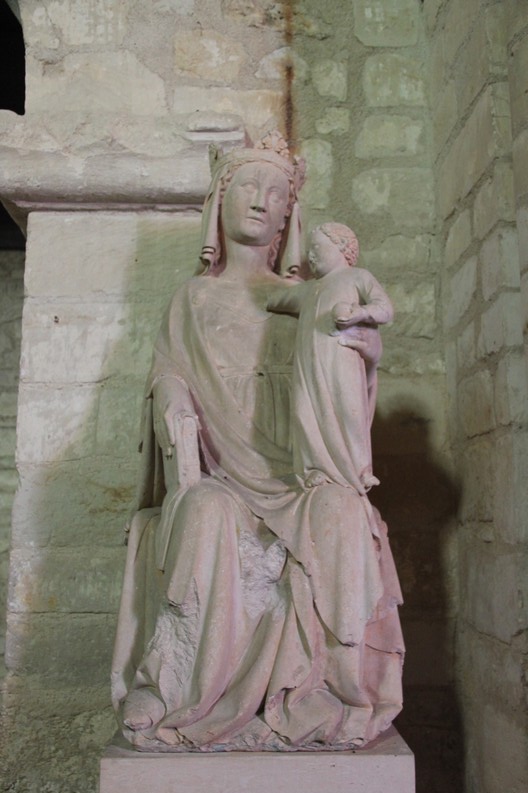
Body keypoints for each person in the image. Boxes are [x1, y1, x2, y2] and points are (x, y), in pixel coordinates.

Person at [111, 131, 404, 752]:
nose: (259, 200)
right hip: (220, 474)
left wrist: (366, 356)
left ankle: (333, 690)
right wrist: (171, 397)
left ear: (288, 216)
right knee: (205, 512)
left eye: (275, 193)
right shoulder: (192, 299)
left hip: (299, 472)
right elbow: (168, 371)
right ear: (219, 202)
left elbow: (344, 379)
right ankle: (173, 688)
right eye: (247, 185)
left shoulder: (309, 298)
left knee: (343, 513)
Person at [267, 222, 393, 493]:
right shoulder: (308, 289)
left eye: (316, 248)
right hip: (308, 364)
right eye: (308, 251)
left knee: (350, 409)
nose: (310, 256)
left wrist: (359, 313)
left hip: (341, 355)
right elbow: (275, 300)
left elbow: (385, 309)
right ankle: (315, 469)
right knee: (307, 413)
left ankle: (360, 470)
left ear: (342, 246)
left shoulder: (357, 277)